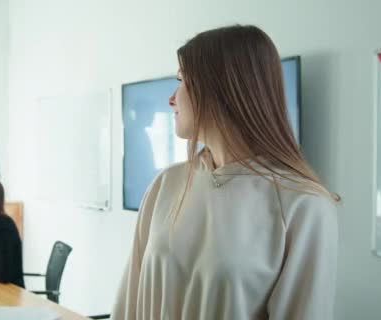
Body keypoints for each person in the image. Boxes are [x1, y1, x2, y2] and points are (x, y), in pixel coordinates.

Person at [112, 25, 339, 320]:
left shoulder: (303, 205)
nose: (171, 99)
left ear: (222, 88)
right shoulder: (167, 184)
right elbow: (130, 302)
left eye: (181, 80)